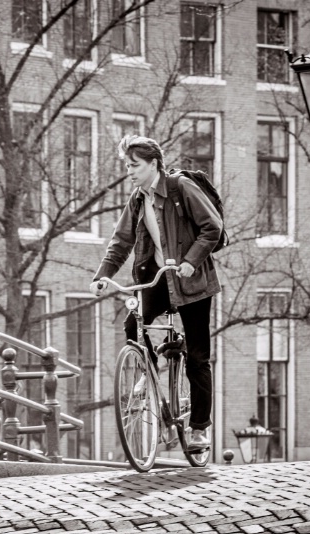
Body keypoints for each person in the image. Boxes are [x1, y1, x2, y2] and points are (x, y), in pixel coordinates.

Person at [90, 135, 222, 450]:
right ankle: (148, 378)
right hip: (158, 279)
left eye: (134, 166)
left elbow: (213, 227)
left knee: (198, 358)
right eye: (127, 166)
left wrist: (192, 261)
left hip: (192, 280)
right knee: (132, 325)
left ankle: (199, 430)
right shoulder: (137, 199)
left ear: (153, 164)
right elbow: (121, 242)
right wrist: (102, 276)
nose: (130, 172)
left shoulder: (180, 188)